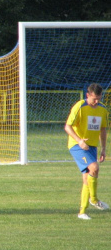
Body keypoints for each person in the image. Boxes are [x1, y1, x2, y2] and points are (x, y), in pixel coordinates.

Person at [65, 83, 109, 220]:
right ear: (87, 95)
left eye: (99, 98)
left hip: (92, 147)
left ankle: (83, 211)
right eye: (94, 98)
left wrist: (103, 149)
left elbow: (103, 130)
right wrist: (79, 141)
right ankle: (94, 200)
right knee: (94, 167)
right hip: (77, 145)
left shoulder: (103, 110)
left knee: (88, 177)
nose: (96, 101)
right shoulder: (80, 107)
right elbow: (67, 127)